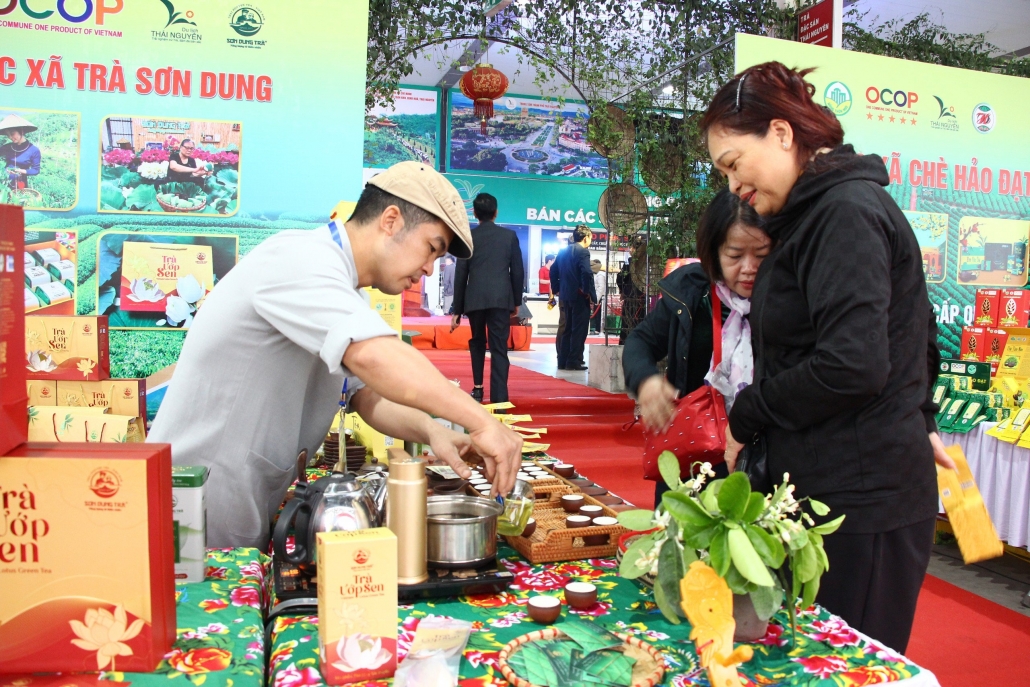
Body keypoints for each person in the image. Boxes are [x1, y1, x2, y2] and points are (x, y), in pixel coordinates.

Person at [701, 62, 955, 653]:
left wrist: (750, 412)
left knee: (842, 662)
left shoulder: (844, 213)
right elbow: (913, 327)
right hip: (827, 488)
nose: (733, 186)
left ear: (783, 135)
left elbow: (853, 364)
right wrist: (920, 417)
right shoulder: (811, 216)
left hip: (861, 500)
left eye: (735, 164)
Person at [148, 161, 523, 548]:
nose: (428, 269)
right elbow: (376, 357)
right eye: (432, 248)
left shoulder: (346, 291)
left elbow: (367, 394)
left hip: (236, 497)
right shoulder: (300, 259)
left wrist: (433, 431)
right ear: (391, 220)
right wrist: (482, 422)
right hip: (194, 504)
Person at [623, 189, 771, 505]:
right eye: (735, 255)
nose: (749, 268)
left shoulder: (787, 299)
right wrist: (647, 381)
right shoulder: (691, 293)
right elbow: (641, 341)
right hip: (694, 451)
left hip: (763, 458)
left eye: (761, 254)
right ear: (713, 252)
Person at [451, 193, 525, 404]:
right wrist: (516, 301)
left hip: (474, 300)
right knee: (499, 347)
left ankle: (477, 389)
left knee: (477, 342)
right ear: (496, 213)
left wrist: (457, 309)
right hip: (500, 299)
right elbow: (517, 272)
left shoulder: (469, 237)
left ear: (474, 213)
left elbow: (461, 274)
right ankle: (500, 398)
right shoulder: (509, 236)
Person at [555, 226, 595, 370]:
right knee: (579, 330)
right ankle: (573, 361)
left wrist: (557, 289)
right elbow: (586, 272)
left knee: (567, 329)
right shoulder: (583, 252)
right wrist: (586, 290)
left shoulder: (563, 251)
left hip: (566, 296)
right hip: (579, 296)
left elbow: (553, 271)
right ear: (586, 238)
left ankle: (562, 360)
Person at [0, 114, 41, 190]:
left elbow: (36, 170)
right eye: (8, 135)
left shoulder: (33, 150)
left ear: (21, 131)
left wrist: (21, 171)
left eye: (12, 134)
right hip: (4, 183)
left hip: (21, 184)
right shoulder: (7, 147)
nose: (10, 137)